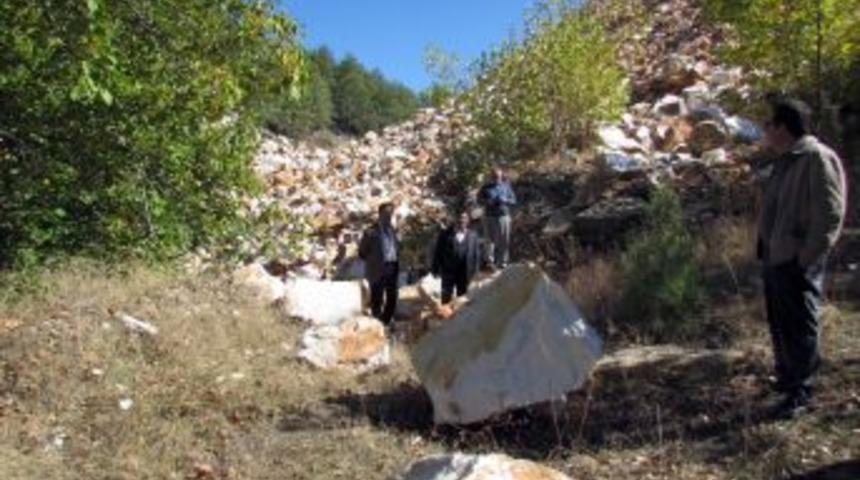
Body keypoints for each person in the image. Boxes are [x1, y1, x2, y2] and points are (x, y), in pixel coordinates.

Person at [757, 98, 847, 418]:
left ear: (783, 127)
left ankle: (801, 392)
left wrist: (805, 257)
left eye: (769, 124)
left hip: (795, 258)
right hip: (776, 256)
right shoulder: (787, 160)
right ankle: (787, 378)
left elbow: (830, 213)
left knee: (800, 325)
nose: (766, 131)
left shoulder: (816, 157)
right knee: (781, 322)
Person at [358, 202, 400, 326]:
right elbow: (362, 252)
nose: (389, 216)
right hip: (377, 267)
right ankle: (377, 321)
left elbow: (397, 247)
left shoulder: (393, 230)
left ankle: (386, 321)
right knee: (377, 295)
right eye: (387, 213)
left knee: (392, 295)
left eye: (391, 213)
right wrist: (373, 261)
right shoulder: (371, 232)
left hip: (392, 266)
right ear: (380, 214)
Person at [432, 211, 482, 304]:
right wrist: (435, 269)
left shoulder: (473, 235)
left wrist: (476, 271)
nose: (461, 220)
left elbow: (476, 255)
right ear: (454, 219)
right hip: (448, 271)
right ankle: (445, 312)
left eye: (464, 218)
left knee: (462, 299)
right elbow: (438, 252)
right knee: (446, 297)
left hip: (465, 272)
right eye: (459, 218)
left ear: (468, 220)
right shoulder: (444, 234)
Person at [478, 167, 516, 269]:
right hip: (489, 217)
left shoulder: (506, 186)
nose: (496, 179)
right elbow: (479, 200)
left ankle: (503, 262)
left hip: (503, 216)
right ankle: (489, 262)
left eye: (498, 177)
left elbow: (513, 200)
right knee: (489, 240)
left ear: (501, 176)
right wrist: (489, 202)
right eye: (494, 177)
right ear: (491, 177)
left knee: (504, 240)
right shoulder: (485, 187)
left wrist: (505, 200)